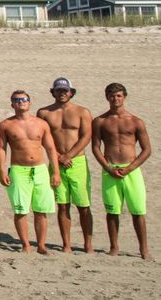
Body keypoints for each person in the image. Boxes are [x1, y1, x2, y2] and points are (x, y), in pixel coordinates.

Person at [0, 89, 60, 254]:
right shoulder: (6, 125)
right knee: (20, 209)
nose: (20, 102)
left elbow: (51, 148)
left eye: (24, 99)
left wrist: (56, 172)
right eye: (16, 100)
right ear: (12, 104)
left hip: (39, 169)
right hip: (19, 169)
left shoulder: (41, 123)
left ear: (29, 103)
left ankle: (41, 245)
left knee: (41, 210)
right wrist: (2, 170)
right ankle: (25, 245)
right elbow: (1, 148)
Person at [92, 82, 150, 259]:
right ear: (106, 97)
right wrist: (108, 167)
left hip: (131, 171)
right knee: (112, 211)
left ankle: (143, 249)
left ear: (124, 97)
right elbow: (95, 147)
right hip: (110, 170)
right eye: (112, 95)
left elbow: (147, 149)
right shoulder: (100, 121)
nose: (115, 99)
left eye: (118, 95)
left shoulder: (135, 121)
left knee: (138, 211)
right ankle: (114, 247)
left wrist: (130, 168)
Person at [37, 77, 95, 253]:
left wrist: (69, 155)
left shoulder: (82, 112)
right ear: (52, 92)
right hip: (56, 161)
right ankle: (66, 243)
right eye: (58, 90)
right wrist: (58, 157)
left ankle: (88, 243)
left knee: (83, 205)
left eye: (65, 90)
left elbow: (86, 136)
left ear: (71, 92)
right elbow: (42, 138)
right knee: (62, 205)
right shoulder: (44, 113)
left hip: (77, 161)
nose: (62, 93)